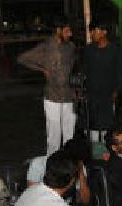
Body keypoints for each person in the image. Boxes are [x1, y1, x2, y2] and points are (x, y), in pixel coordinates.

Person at [17, 16, 77, 154]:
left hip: (69, 96)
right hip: (52, 97)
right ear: (58, 30)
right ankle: (52, 163)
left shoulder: (71, 47)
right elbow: (22, 59)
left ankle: (69, 162)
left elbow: (73, 66)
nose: (70, 34)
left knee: (70, 135)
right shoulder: (46, 47)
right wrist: (42, 69)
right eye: (67, 31)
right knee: (53, 136)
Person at [82, 19, 122, 143]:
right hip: (91, 96)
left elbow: (120, 73)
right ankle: (94, 151)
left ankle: (106, 152)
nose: (91, 34)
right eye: (91, 31)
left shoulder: (115, 50)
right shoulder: (89, 50)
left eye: (94, 31)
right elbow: (84, 71)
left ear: (104, 32)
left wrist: (116, 91)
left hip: (108, 96)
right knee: (91, 130)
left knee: (107, 129)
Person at [26, 137, 91, 206]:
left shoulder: (78, 168)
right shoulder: (38, 164)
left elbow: (85, 200)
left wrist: (80, 173)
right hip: (42, 205)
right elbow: (32, 195)